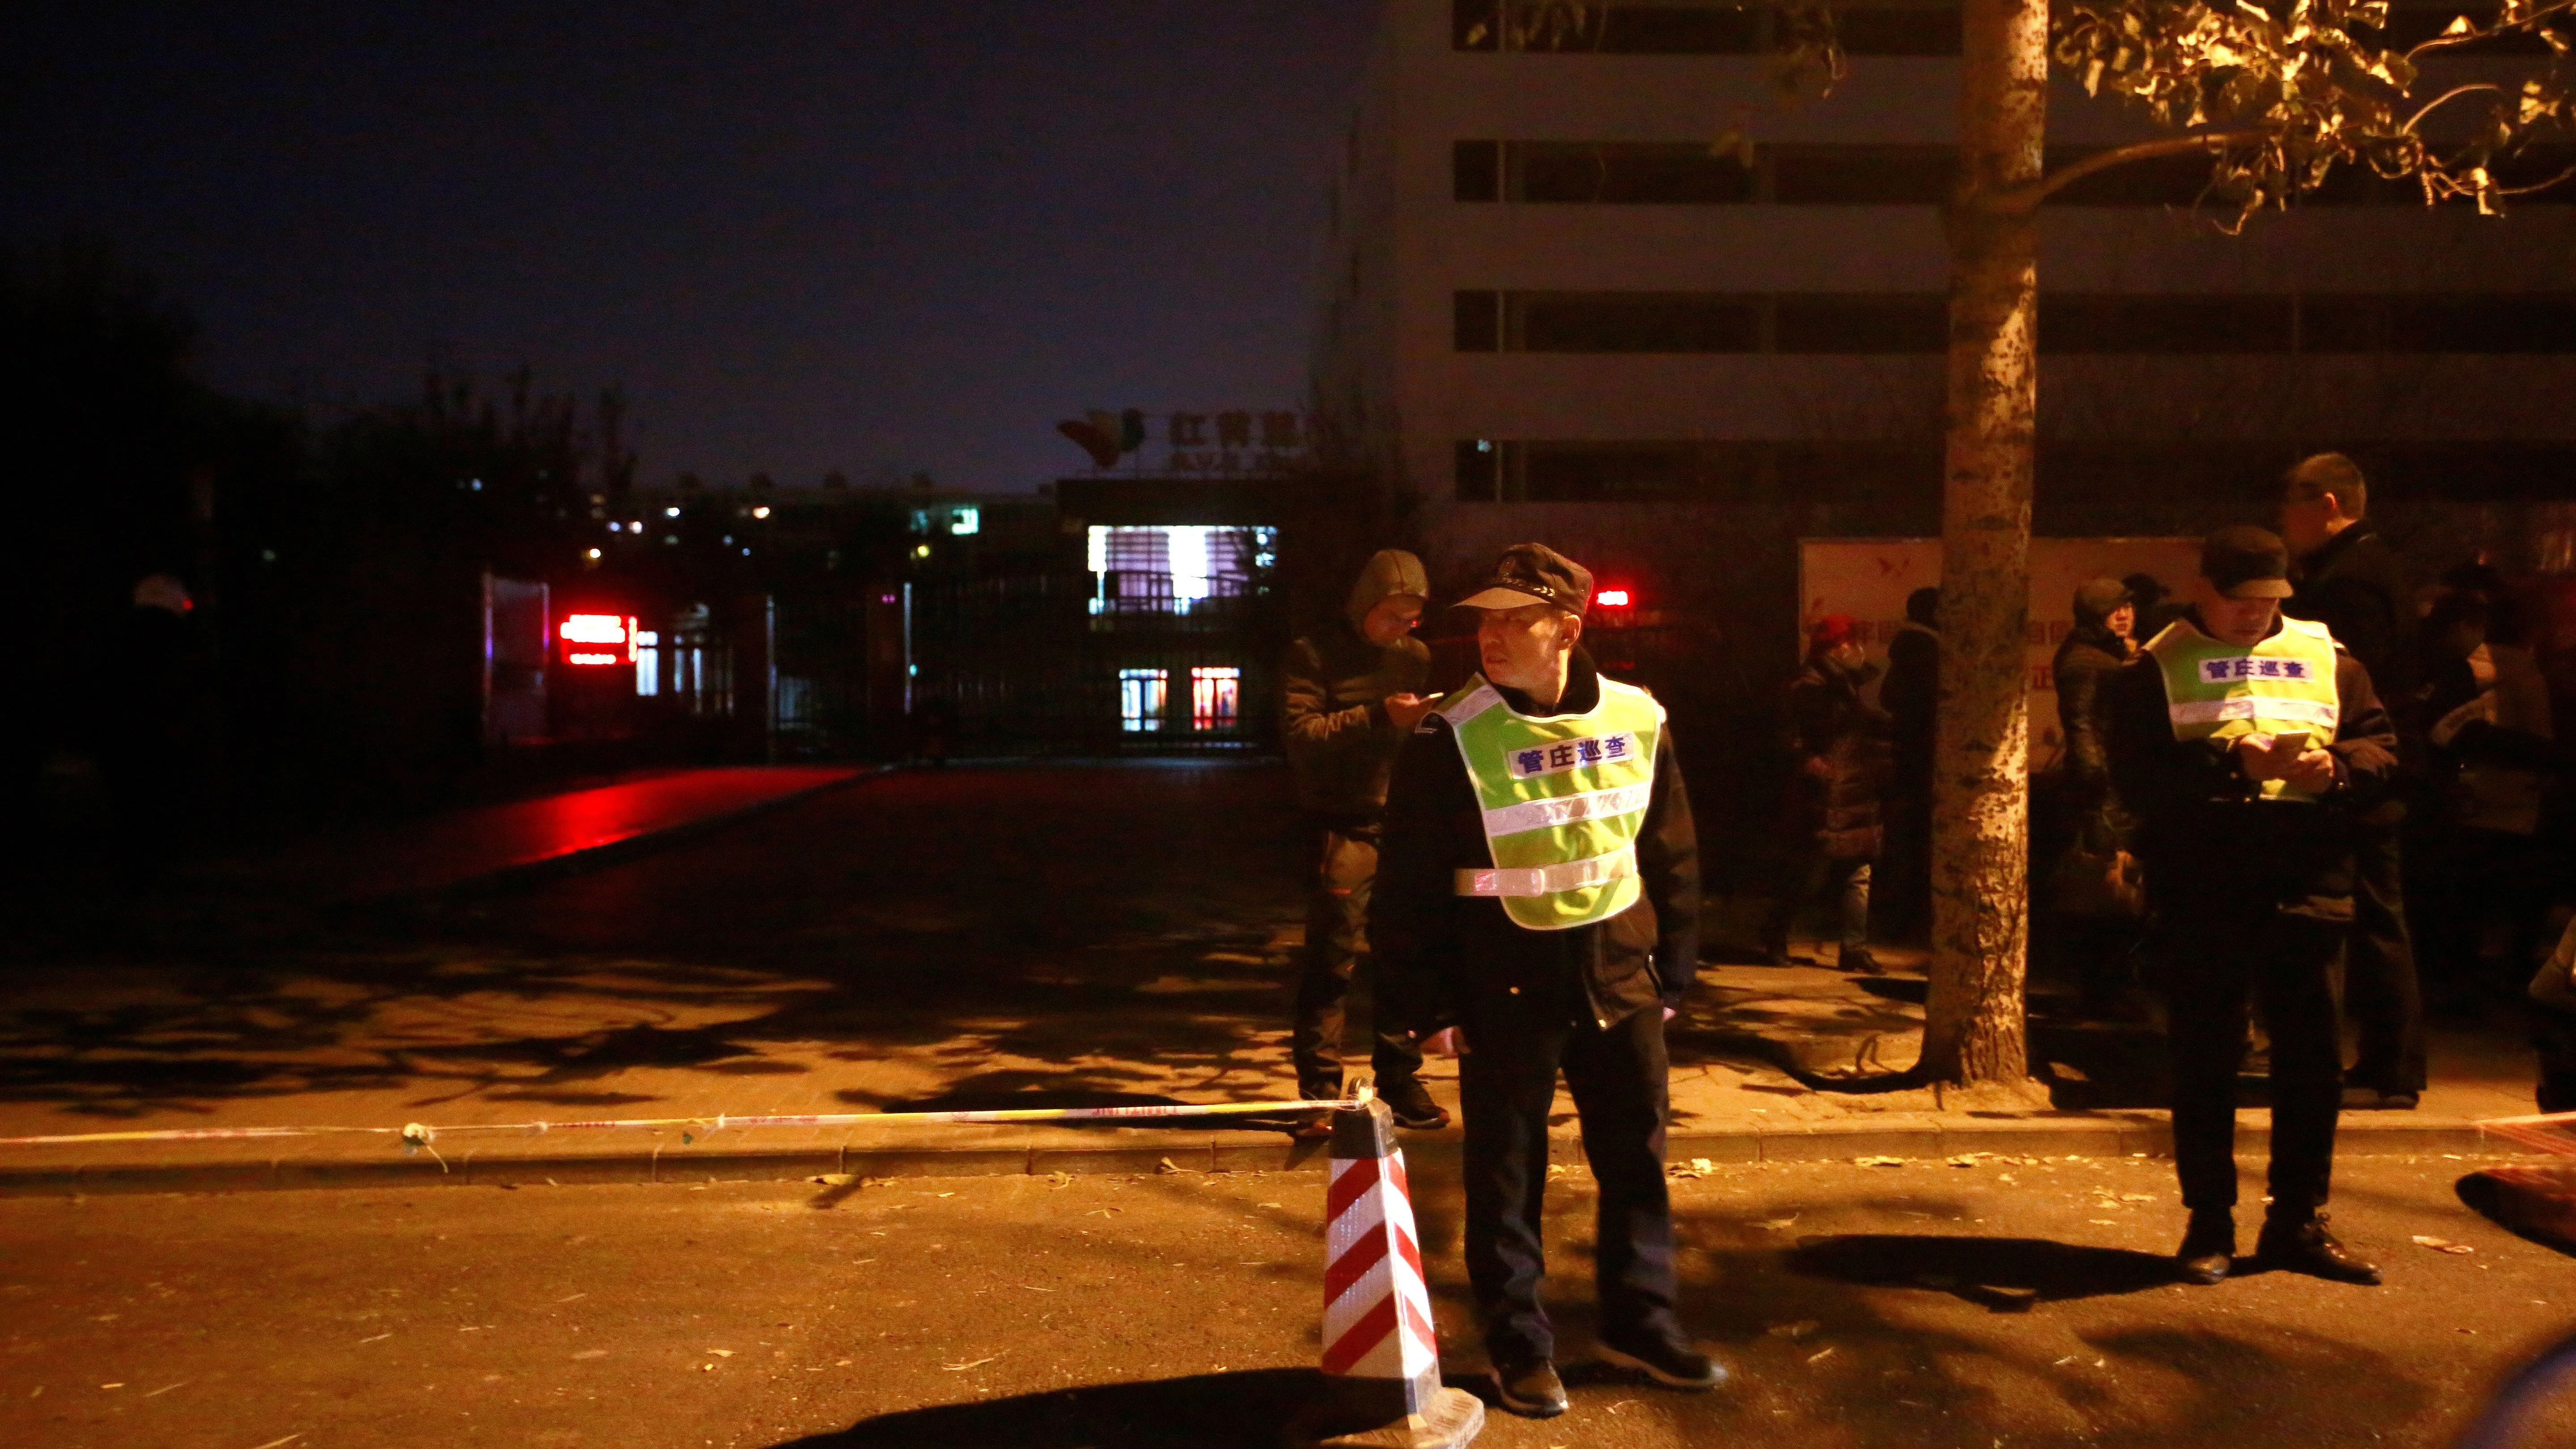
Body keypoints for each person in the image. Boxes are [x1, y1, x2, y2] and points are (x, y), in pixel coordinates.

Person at [1374, 543, 1716, 1419]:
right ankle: (1520, 1346)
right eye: (1483, 621)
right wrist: (1427, 1007)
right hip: (1503, 981)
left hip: (1620, 975)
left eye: (1512, 619)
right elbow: (1408, 883)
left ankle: (1642, 1323)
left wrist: (1672, 969)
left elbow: (1669, 851)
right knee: (1507, 1176)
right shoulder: (1451, 733)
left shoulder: (1640, 717)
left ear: (1565, 629)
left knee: (1636, 1161)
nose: (1489, 636)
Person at [2107, 525, 2401, 1287]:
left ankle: (2298, 1223)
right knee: (2205, 1062)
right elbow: (2139, 779)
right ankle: (2209, 1227)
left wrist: (2333, 770)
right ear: (2203, 589)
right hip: (2206, 887)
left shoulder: (2330, 659)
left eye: (2270, 600)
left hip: (2309, 881)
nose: (2254, 615)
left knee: (2312, 1069)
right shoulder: (2155, 670)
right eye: (2240, 600)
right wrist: (2231, 761)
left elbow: (2383, 748)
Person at [1280, 549, 1449, 1132]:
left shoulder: (1414, 658)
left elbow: (1415, 736)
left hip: (1401, 824)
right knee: (1333, 962)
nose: (1404, 629)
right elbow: (1303, 734)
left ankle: (1400, 1079)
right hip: (1343, 823)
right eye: (1393, 616)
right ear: (1364, 606)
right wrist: (1378, 717)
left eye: (1412, 618)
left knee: (1405, 958)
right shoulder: (1314, 654)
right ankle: (1319, 1094)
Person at [2279, 453, 2425, 1111]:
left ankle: (2388, 1065)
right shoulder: (2375, 564)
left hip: (2362, 768)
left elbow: (2345, 683)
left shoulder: (2348, 579)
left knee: (2370, 915)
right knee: (2376, 912)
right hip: (2377, 765)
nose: (2284, 520)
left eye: (2292, 504)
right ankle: (2388, 1061)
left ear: (2329, 505)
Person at [2412, 591, 2558, 1000]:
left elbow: (2449, 728)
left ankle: (2459, 981)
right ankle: (2486, 979)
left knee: (2468, 899)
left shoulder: (2477, 667)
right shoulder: (2520, 667)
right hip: (2511, 800)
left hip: (2485, 799)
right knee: (2498, 897)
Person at [1759, 614, 1892, 973]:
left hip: (1855, 794)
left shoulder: (1846, 686)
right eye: (1845, 642)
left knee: (1857, 872)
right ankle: (1776, 936)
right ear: (1832, 648)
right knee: (1805, 872)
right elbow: (1790, 741)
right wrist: (1815, 768)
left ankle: (1854, 949)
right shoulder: (1808, 688)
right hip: (1821, 798)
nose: (1853, 648)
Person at [2043, 578, 2144, 1014]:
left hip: (2111, 784)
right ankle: (2104, 990)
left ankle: (2110, 986)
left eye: (2127, 607)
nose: (2123, 614)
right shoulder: (2086, 660)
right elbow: (2081, 724)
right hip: (2103, 790)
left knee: (2116, 889)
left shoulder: (2103, 653)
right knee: (2107, 891)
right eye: (2112, 608)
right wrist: (2096, 787)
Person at [1880, 587, 1941, 941]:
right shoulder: (1926, 652)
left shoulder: (1912, 649)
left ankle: (1907, 914)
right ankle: (1912, 917)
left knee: (1912, 839)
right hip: (1921, 759)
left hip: (1912, 757)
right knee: (1919, 841)